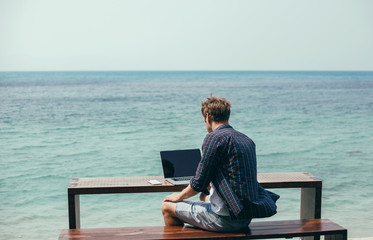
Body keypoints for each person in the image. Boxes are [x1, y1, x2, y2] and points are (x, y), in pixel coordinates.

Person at [161, 96, 279, 232]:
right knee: (204, 196)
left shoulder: (213, 138)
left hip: (224, 220)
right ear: (227, 115)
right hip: (245, 216)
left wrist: (179, 196)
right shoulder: (246, 140)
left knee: (167, 206)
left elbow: (198, 182)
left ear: (207, 117)